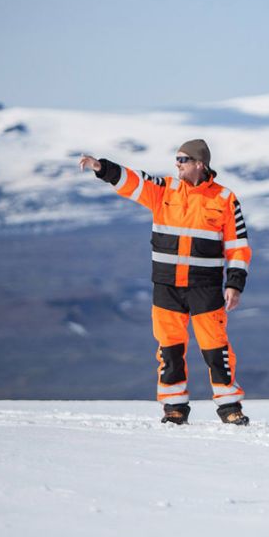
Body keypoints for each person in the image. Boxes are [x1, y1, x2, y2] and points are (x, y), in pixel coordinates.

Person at [78, 140, 251, 425]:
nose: (178, 164)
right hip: (167, 286)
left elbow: (238, 246)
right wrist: (101, 168)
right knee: (169, 348)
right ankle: (174, 407)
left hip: (204, 287)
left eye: (183, 159)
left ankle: (229, 406)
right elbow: (134, 181)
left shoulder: (224, 198)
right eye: (177, 159)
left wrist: (235, 283)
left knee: (215, 347)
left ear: (200, 163)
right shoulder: (164, 190)